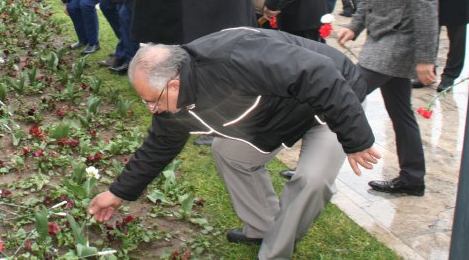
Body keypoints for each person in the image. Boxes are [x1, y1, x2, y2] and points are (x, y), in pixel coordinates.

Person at [87, 27, 381, 260]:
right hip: (280, 115)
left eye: (152, 100)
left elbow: (318, 73)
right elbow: (158, 147)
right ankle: (262, 228)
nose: (151, 108)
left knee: (313, 180)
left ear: (173, 83)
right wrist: (117, 193)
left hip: (330, 104)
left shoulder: (234, 56)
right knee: (228, 151)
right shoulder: (171, 104)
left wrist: (355, 139)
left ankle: (275, 253)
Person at [336, 0, 437, 196]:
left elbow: (425, 2)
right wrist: (355, 26)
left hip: (398, 40)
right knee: (401, 110)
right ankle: (412, 177)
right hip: (383, 35)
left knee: (340, 95)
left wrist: (425, 58)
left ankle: (314, 169)